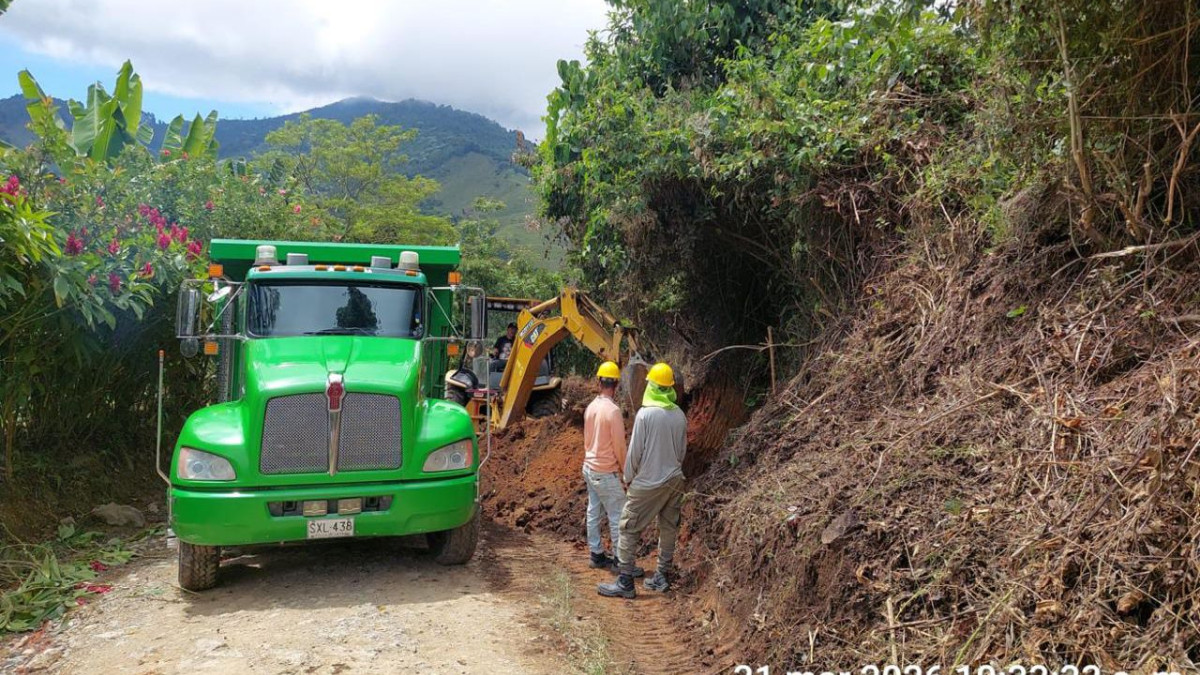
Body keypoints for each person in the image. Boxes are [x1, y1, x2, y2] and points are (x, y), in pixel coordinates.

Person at [598, 362, 687, 599]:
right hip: (675, 480)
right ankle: (661, 576)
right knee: (668, 528)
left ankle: (625, 581)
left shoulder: (645, 415)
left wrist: (628, 477)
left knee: (628, 528)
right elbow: (681, 452)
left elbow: (635, 452)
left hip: (648, 482)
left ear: (652, 386)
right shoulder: (679, 415)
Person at [582, 361, 638, 573]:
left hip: (589, 467)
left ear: (599, 382)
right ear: (616, 385)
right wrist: (626, 472)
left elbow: (587, 440)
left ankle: (596, 555)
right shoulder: (613, 411)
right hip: (605, 471)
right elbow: (620, 447)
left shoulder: (591, 407)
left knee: (594, 511)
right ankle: (620, 561)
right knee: (618, 516)